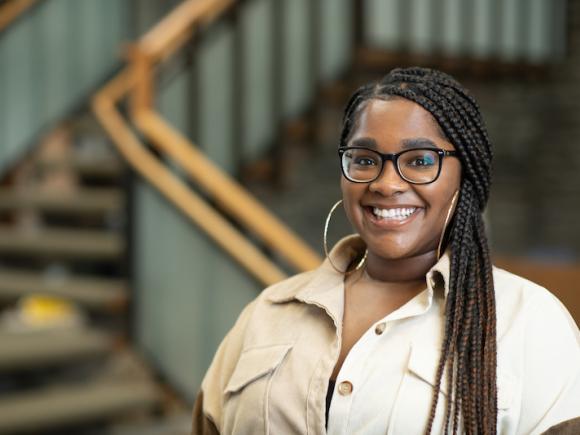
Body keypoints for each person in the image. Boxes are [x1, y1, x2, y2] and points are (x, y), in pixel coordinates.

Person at [191, 67, 580, 434]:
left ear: (466, 174)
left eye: (421, 161)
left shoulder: (529, 321)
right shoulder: (268, 312)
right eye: (364, 160)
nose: (386, 183)